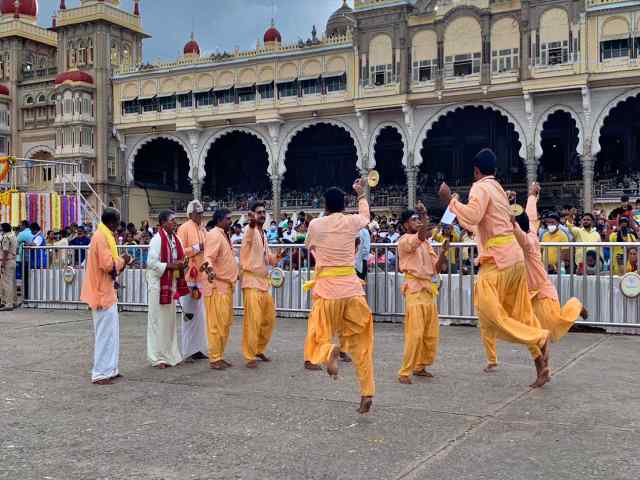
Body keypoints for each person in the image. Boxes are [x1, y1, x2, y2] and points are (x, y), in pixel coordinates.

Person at [439, 148, 551, 388]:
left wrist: (450, 200)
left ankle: (539, 337)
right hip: (514, 258)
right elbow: (479, 221)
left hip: (498, 261)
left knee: (487, 311)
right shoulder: (498, 188)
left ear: (476, 170)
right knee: (521, 313)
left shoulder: (480, 187)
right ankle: (541, 365)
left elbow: (474, 215)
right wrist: (456, 209)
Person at [484, 183, 588, 370]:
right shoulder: (530, 227)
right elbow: (530, 212)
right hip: (528, 294)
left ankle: (575, 305)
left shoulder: (527, 241)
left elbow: (513, 226)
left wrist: (506, 211)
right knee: (533, 332)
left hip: (543, 292)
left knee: (553, 326)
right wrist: (532, 195)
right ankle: (543, 370)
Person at [303, 178, 375, 414]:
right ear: (344, 205)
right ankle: (366, 391)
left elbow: (309, 247)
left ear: (325, 205)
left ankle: (328, 352)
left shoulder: (316, 225)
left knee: (317, 337)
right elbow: (366, 217)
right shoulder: (352, 221)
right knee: (362, 345)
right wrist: (361, 194)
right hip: (352, 290)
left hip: (327, 292)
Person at [397, 203, 448, 384]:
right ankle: (405, 372)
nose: (417, 222)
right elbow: (419, 236)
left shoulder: (426, 243)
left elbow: (437, 268)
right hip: (414, 290)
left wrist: (444, 253)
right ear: (405, 225)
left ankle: (420, 367)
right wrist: (425, 214)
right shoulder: (404, 240)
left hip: (428, 291)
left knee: (430, 333)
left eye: (418, 219)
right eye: (414, 220)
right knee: (415, 333)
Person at [80, 208, 131, 385]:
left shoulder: (105, 234)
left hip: (107, 291)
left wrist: (116, 275)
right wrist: (123, 259)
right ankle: (100, 373)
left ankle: (111, 369)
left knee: (112, 334)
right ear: (112, 222)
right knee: (104, 335)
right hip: (101, 294)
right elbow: (107, 264)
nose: (119, 225)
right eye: (118, 221)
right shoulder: (101, 237)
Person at [240, 201, 281, 368]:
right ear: (252, 215)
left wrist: (278, 257)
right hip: (251, 281)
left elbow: (267, 258)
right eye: (259, 212)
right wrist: (251, 222)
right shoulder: (249, 231)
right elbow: (250, 232)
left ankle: (258, 349)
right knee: (253, 320)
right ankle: (249, 355)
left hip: (264, 282)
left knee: (269, 318)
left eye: (264, 212)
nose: (262, 214)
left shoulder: (263, 233)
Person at [146, 210, 189, 369]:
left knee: (169, 322)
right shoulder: (157, 240)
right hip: (158, 285)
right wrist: (171, 265)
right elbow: (151, 263)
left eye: (175, 220)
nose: (175, 223)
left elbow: (181, 258)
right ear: (163, 223)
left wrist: (183, 264)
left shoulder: (176, 239)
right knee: (157, 321)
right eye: (172, 221)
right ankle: (156, 358)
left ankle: (170, 354)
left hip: (170, 284)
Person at [203, 209, 239, 370]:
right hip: (217, 287)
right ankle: (215, 358)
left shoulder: (224, 234)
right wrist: (209, 270)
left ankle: (219, 355)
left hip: (226, 286)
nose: (230, 221)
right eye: (228, 219)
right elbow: (208, 258)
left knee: (224, 324)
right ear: (219, 220)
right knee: (216, 324)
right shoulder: (214, 235)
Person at [176, 200, 209, 362]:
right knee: (188, 314)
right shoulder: (184, 228)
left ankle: (197, 349)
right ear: (190, 214)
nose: (200, 216)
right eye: (197, 213)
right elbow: (180, 252)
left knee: (200, 316)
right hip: (188, 278)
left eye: (202, 213)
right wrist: (197, 247)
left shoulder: (202, 229)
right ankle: (187, 351)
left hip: (200, 278)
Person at [0, 223, 18, 311]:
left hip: (7, 261)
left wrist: (2, 262)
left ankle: (8, 304)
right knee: (12, 282)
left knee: (6, 283)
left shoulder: (6, 237)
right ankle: (14, 301)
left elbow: (5, 251)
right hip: (13, 260)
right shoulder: (13, 236)